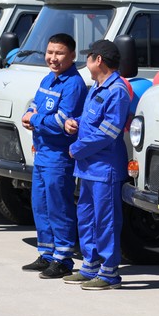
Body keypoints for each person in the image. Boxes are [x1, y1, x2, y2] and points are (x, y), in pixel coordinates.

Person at [61, 39, 130, 290]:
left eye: (88, 57)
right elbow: (91, 122)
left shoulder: (117, 90)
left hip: (104, 169)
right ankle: (90, 266)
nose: (86, 62)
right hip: (88, 167)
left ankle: (109, 272)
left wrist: (76, 148)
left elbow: (108, 132)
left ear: (98, 60)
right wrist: (74, 122)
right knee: (86, 217)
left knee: (106, 221)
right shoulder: (97, 87)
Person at [19, 33, 86, 278]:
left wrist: (34, 119)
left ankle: (63, 258)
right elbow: (34, 105)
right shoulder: (48, 79)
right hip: (42, 154)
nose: (53, 58)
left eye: (59, 53)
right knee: (40, 205)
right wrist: (30, 114)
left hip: (59, 156)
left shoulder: (74, 84)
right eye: (50, 52)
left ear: (72, 56)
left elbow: (61, 120)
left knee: (59, 206)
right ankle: (47, 253)